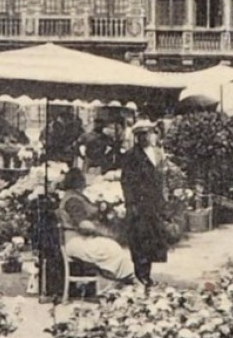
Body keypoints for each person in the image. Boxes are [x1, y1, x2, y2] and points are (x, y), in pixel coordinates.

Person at [118, 121, 173, 286]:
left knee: (151, 240)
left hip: (152, 204)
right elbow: (126, 182)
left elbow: (159, 178)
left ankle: (146, 274)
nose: (144, 138)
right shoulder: (130, 156)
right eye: (140, 135)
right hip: (138, 205)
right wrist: (131, 203)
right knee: (139, 240)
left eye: (147, 134)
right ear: (136, 137)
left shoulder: (155, 153)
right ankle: (140, 274)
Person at [57, 180, 134, 284]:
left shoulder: (74, 197)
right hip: (76, 242)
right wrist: (102, 232)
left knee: (116, 248)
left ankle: (122, 279)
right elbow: (83, 224)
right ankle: (115, 282)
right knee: (111, 248)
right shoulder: (72, 200)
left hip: (81, 239)